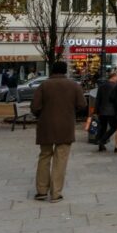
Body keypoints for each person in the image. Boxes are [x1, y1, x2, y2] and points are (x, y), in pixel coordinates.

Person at [30, 61, 86, 202]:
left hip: (46, 126)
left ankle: (41, 190)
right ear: (65, 71)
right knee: (60, 160)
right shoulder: (74, 85)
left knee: (44, 157)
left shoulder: (44, 85)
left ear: (52, 71)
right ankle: (56, 193)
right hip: (65, 127)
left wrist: (42, 115)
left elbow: (35, 107)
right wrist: (70, 112)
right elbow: (82, 105)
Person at [95, 73, 117, 152]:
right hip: (111, 111)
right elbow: (116, 100)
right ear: (113, 77)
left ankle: (101, 146)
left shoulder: (102, 86)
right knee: (114, 126)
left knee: (103, 127)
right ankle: (102, 140)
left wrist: (96, 110)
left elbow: (98, 99)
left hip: (102, 110)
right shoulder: (115, 87)